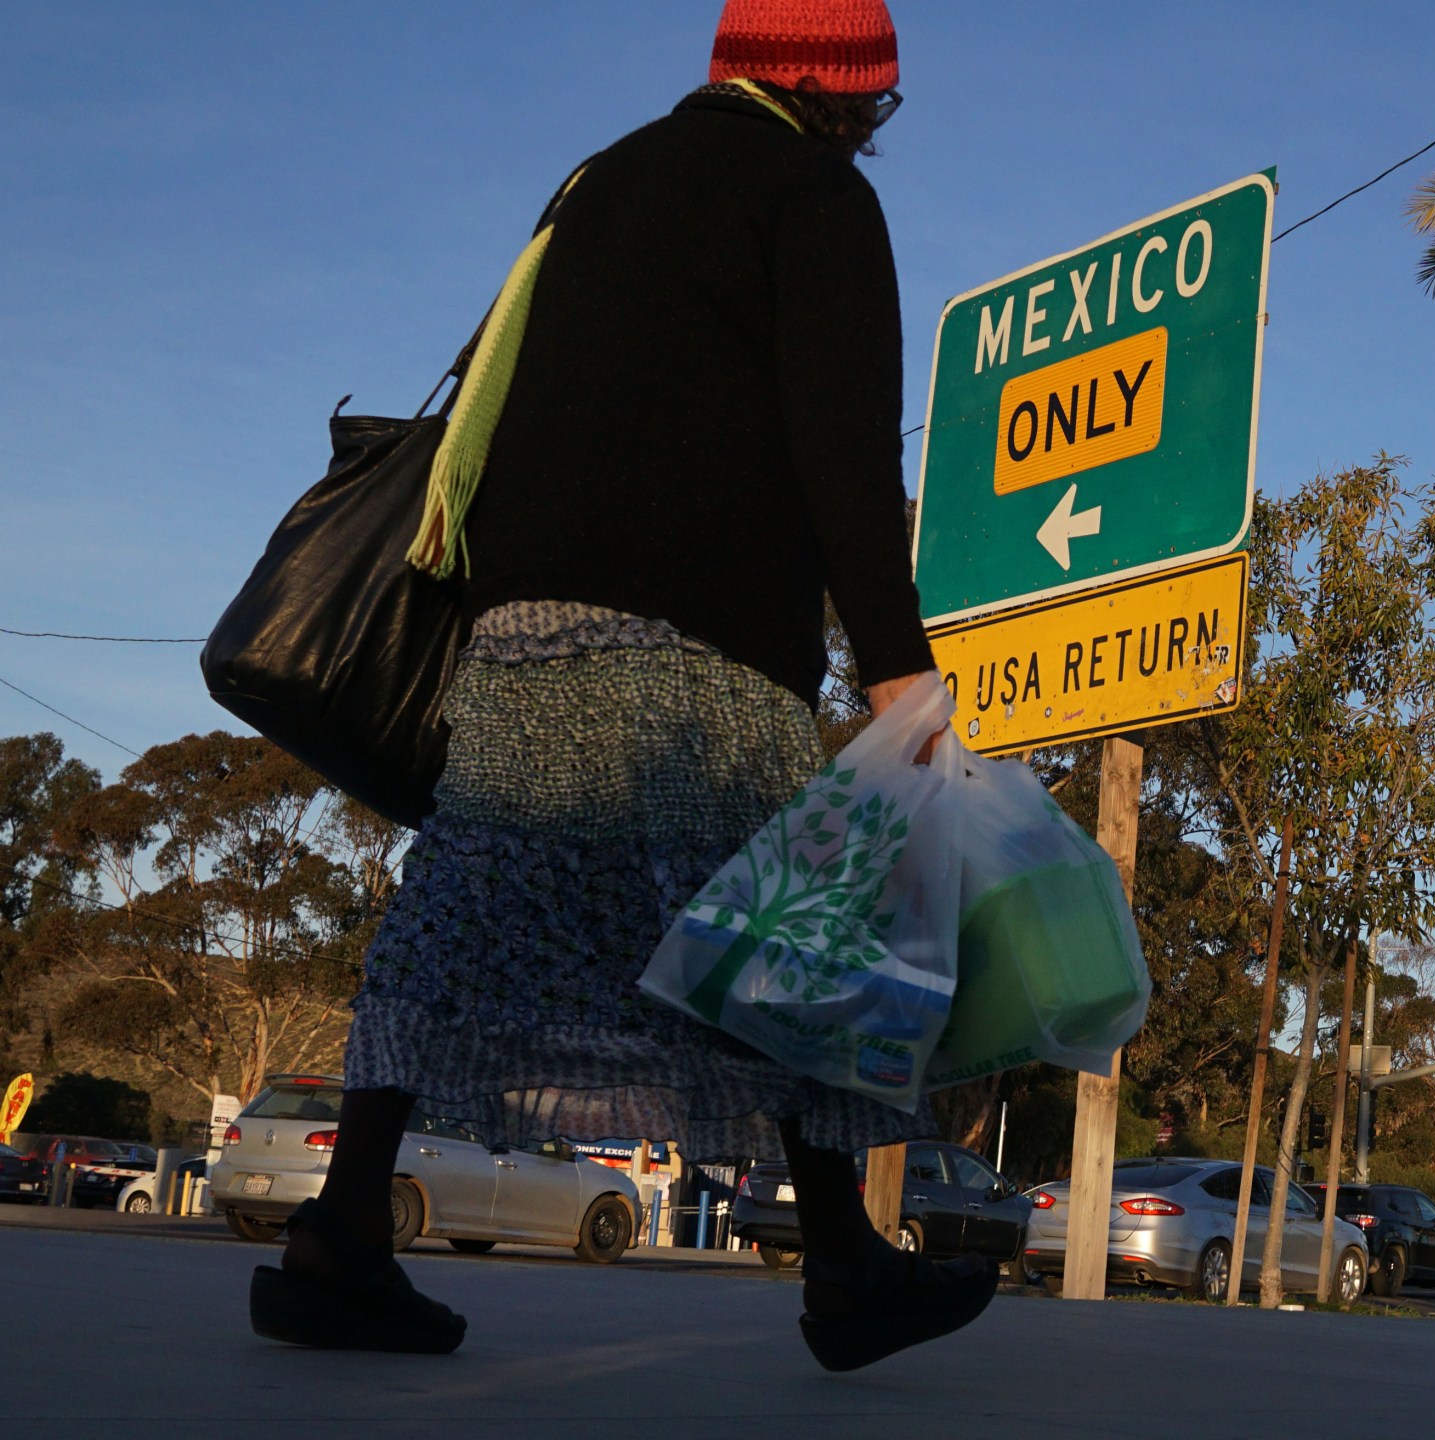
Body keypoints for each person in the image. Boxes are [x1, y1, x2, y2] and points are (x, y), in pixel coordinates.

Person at [246, 0, 995, 1370]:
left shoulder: (600, 179)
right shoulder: (811, 195)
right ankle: (842, 1265)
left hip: (527, 626)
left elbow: (505, 401)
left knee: (461, 914)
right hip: (703, 647)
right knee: (791, 942)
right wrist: (899, 671)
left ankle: (339, 1234)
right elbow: (844, 455)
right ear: (851, 98)